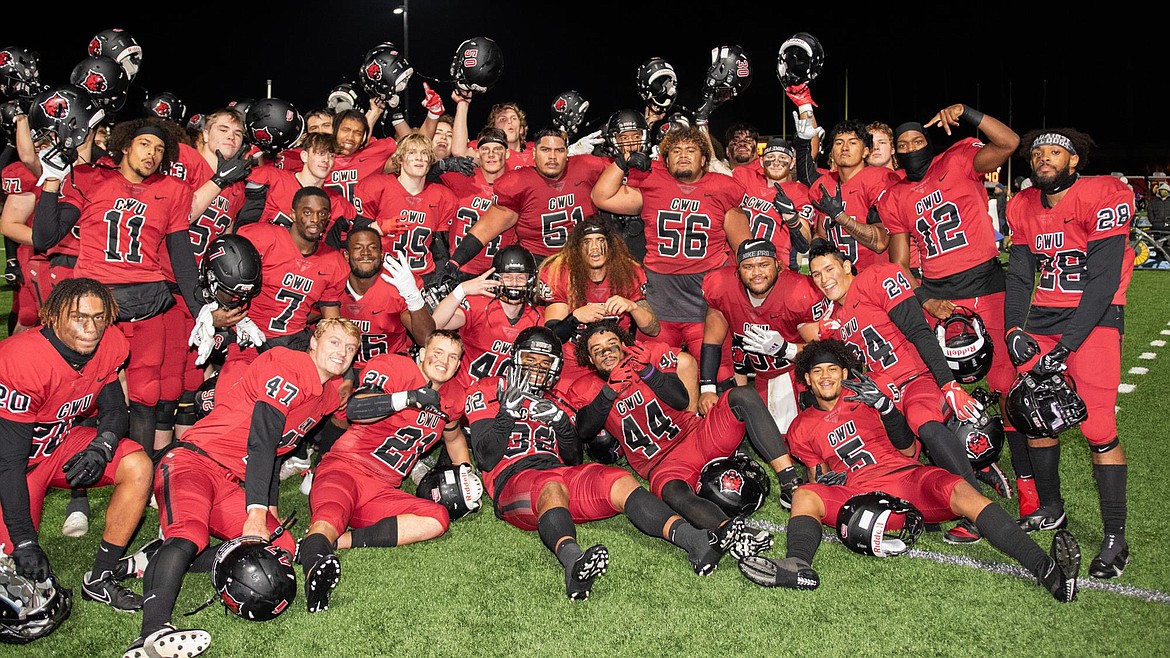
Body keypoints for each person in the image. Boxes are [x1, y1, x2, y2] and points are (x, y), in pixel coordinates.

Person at [736, 338, 1080, 604]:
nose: (825, 376)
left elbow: (907, 449)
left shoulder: (868, 396)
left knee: (961, 491)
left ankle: (1045, 569)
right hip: (860, 497)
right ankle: (797, 565)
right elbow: (816, 477)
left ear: (844, 372)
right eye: (817, 372)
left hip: (906, 479)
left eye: (832, 369)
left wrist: (886, 407)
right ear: (807, 381)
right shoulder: (800, 427)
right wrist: (824, 480)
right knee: (805, 494)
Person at [463, 326, 737, 600]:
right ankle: (573, 564)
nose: (537, 369)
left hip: (557, 472)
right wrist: (506, 415)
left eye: (545, 363)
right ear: (516, 358)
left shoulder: (559, 399)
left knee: (618, 479)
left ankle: (695, 541)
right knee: (550, 487)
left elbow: (572, 460)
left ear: (556, 368)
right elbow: (486, 458)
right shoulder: (487, 389)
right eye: (530, 361)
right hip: (512, 479)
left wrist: (561, 424)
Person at [32, 117, 213, 459]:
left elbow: (182, 259)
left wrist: (201, 309)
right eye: (145, 145)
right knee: (86, 394)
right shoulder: (91, 179)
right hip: (96, 303)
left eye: (159, 149)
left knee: (147, 394)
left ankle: (139, 477)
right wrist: (52, 182)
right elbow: (45, 238)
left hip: (148, 301)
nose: (152, 154)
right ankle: (79, 492)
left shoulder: (172, 191)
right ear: (126, 145)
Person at [876, 104, 1023, 509]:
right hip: (940, 294)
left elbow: (1009, 142)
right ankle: (967, 471)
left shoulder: (959, 158)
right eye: (902, 144)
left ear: (930, 142)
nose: (910, 148)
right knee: (939, 387)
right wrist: (925, 298)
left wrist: (970, 114)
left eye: (917, 140)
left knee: (1005, 386)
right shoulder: (895, 197)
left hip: (986, 284)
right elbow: (899, 265)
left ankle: (1028, 487)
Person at [1003, 128, 1134, 579]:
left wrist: (1067, 347)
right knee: (1036, 412)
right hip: (1042, 316)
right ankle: (1052, 505)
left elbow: (1100, 282)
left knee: (1098, 425)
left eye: (1055, 152)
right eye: (1038, 152)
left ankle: (1115, 536)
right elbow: (1020, 276)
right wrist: (1013, 329)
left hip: (1093, 319)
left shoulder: (1103, 193)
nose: (1044, 158)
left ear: (1074, 161)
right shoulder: (1021, 204)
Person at [802, 239, 989, 543]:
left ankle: (977, 509)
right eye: (816, 275)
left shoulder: (877, 278)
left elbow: (918, 330)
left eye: (829, 269)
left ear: (847, 266)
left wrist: (948, 383)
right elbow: (815, 350)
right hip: (884, 395)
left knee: (922, 423)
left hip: (916, 379)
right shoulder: (833, 319)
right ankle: (925, 500)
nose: (824, 280)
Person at [0, 278, 154, 612]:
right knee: (12, 582)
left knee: (138, 464)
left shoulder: (109, 344)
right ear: (53, 316)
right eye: (79, 317)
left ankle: (100, 579)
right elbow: (8, 464)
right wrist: (25, 539)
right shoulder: (21, 360)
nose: (92, 328)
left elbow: (115, 410)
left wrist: (103, 446)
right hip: (16, 465)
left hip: (55, 446)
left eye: (99, 317)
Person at [297, 329, 466, 613]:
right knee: (330, 516)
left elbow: (454, 436)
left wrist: (465, 471)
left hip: (384, 488)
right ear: (422, 354)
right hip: (346, 467)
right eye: (437, 352)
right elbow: (356, 408)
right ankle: (316, 572)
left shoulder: (453, 396)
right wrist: (408, 398)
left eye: (452, 357)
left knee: (438, 518)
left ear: (459, 364)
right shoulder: (395, 367)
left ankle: (336, 542)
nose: (444, 361)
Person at [569, 320, 801, 521]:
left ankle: (790, 481)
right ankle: (726, 530)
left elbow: (681, 400)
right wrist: (608, 393)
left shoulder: (645, 357)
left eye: (611, 345)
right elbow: (584, 431)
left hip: (696, 435)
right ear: (589, 358)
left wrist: (649, 371)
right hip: (662, 463)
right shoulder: (585, 387)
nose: (607, 352)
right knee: (671, 492)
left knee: (742, 396)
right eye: (597, 350)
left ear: (623, 346)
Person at [591, 126, 752, 358]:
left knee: (715, 375)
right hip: (661, 296)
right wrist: (623, 162)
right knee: (654, 370)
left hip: (705, 295)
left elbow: (745, 251)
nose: (683, 155)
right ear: (665, 159)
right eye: (676, 150)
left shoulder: (723, 188)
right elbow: (601, 197)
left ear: (704, 159)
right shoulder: (653, 183)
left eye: (691, 150)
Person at [209, 186, 348, 394]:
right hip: (249, 338)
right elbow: (223, 282)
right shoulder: (261, 238)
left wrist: (343, 371)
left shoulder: (334, 262)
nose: (315, 219)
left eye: (322, 213)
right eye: (308, 212)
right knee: (230, 401)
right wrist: (214, 314)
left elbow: (332, 321)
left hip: (293, 343)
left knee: (331, 395)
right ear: (293, 213)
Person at [700, 239, 821, 434]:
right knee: (766, 434)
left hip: (795, 370)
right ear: (738, 270)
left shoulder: (797, 292)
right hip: (759, 372)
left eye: (763, 264)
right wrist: (707, 389)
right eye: (748, 266)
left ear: (778, 265)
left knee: (799, 434)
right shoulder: (724, 287)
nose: (756, 273)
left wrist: (785, 349)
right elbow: (712, 343)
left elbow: (824, 353)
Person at [445, 128, 608, 268]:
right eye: (545, 150)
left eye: (559, 150)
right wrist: (455, 263)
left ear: (567, 153)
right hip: (539, 264)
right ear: (534, 153)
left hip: (586, 261)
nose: (552, 157)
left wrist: (625, 161)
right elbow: (485, 229)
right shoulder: (518, 182)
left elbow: (622, 183)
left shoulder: (587, 166)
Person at [538, 216, 658, 383]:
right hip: (575, 358)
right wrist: (575, 318)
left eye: (600, 240)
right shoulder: (559, 273)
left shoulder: (629, 271)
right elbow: (552, 337)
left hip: (617, 354)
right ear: (577, 248)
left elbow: (653, 329)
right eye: (587, 242)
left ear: (611, 245)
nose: (594, 248)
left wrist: (632, 307)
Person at [354, 132, 458, 284]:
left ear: (430, 160)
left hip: (423, 277)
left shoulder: (443, 196)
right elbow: (355, 236)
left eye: (424, 153)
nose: (419, 158)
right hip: (383, 276)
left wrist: (440, 278)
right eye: (412, 152)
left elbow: (440, 249)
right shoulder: (376, 187)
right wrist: (378, 228)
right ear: (400, 158)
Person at [432, 244, 541, 389]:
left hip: (507, 401)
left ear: (531, 280)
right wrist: (461, 290)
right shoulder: (479, 304)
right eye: (507, 277)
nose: (514, 283)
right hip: (465, 392)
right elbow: (435, 325)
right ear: (495, 279)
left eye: (521, 277)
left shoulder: (539, 318)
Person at [808, 120, 901, 271]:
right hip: (840, 282)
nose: (844, 148)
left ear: (865, 151)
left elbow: (881, 242)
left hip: (875, 277)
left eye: (852, 143)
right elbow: (821, 234)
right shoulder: (825, 184)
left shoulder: (879, 179)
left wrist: (841, 217)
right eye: (838, 143)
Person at [242, 132, 361, 247]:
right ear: (304, 156)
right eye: (320, 153)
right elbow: (244, 225)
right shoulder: (273, 179)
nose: (326, 160)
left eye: (331, 156)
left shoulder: (338, 204)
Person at [441, 127, 516, 277]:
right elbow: (422, 182)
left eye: (497, 149)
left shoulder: (517, 184)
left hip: (499, 273)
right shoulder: (461, 178)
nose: (491, 155)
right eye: (485, 149)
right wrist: (440, 167)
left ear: (507, 153)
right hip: (459, 270)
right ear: (477, 153)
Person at [732, 138, 813, 271]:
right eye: (770, 157)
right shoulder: (746, 177)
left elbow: (805, 242)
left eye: (782, 157)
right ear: (762, 161)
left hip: (776, 268)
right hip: (741, 264)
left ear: (792, 163)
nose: (776, 162)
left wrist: (792, 219)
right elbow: (713, 167)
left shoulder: (800, 192)